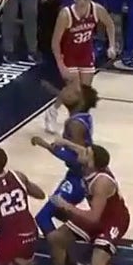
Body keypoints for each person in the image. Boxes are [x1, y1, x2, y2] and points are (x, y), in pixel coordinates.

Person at [43, 145, 133, 265]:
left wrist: (66, 205)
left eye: (86, 153)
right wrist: (63, 141)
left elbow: (94, 217)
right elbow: (84, 150)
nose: (82, 153)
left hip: (114, 221)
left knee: (98, 263)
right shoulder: (89, 167)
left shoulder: (101, 182)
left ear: (93, 162)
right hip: (99, 216)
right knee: (56, 238)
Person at [44, 0, 116, 134]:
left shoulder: (97, 10)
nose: (79, 3)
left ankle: (79, 121)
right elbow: (55, 42)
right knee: (73, 90)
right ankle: (52, 111)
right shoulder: (66, 14)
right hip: (69, 54)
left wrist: (112, 45)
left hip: (86, 53)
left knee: (84, 91)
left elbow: (110, 24)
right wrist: (60, 65)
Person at [31, 84, 98, 239]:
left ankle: (62, 252)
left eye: (72, 91)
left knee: (43, 217)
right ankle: (89, 235)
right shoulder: (83, 117)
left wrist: (47, 146)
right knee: (62, 213)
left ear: (80, 100)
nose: (66, 92)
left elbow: (78, 159)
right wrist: (48, 86)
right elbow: (63, 94)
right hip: (76, 176)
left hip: (78, 178)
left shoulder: (74, 124)